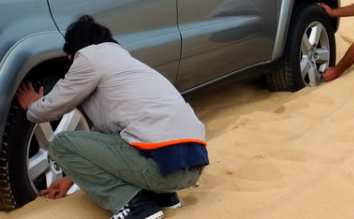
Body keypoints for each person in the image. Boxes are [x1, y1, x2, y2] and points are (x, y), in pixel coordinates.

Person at [15, 15, 209, 219]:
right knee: (136, 135)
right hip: (191, 167)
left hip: (161, 170)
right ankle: (163, 197)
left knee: (61, 143)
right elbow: (105, 141)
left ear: (74, 52)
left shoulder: (88, 57)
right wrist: (70, 179)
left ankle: (136, 207)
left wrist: (32, 106)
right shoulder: (125, 62)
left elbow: (52, 107)